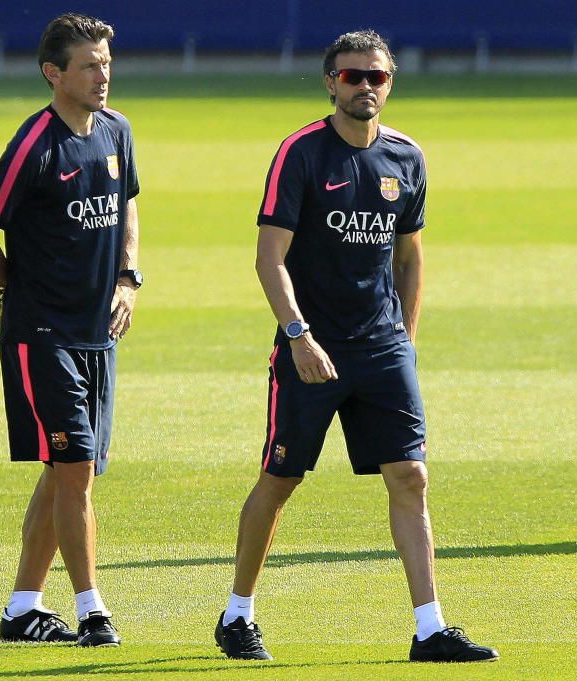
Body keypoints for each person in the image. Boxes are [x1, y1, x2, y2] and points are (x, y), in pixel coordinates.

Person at [214, 30, 499, 663]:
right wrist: (297, 335)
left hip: (382, 349)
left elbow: (409, 257)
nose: (365, 87)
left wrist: (407, 340)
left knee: (411, 476)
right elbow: (270, 256)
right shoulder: (301, 153)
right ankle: (237, 615)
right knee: (281, 478)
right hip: (310, 348)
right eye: (352, 77)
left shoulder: (406, 157)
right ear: (329, 82)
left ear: (390, 82)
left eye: (376, 77)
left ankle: (429, 627)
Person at [0, 12, 141, 647]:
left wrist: (128, 277)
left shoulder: (116, 130)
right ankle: (92, 609)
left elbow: (128, 199)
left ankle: (23, 608)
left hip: (96, 335)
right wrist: (0, 288)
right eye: (90, 64)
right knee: (73, 466)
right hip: (42, 332)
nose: (103, 74)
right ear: (55, 74)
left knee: (66, 471)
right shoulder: (35, 144)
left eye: (107, 61)